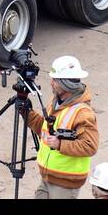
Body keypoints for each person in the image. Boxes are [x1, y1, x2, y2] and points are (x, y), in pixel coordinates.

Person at [21, 55, 99, 200]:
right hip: (47, 177)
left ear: (66, 84)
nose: (51, 83)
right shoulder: (56, 101)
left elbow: (90, 146)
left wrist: (59, 144)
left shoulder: (83, 113)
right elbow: (44, 130)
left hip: (65, 183)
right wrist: (26, 112)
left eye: (55, 80)